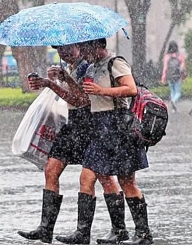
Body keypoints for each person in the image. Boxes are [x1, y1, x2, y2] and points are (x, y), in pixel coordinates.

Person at [19, 44, 129, 244]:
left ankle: (114, 229)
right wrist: (52, 81)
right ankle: (46, 228)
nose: (63, 53)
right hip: (72, 125)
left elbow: (81, 100)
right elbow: (71, 99)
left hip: (92, 126)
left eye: (67, 49)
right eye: (59, 50)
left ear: (79, 47)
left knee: (102, 177)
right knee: (51, 169)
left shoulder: (88, 67)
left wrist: (53, 84)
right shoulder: (68, 68)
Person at [56, 38, 154, 245]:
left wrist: (102, 91)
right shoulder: (90, 68)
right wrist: (65, 79)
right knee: (87, 177)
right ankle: (86, 233)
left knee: (127, 182)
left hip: (118, 126)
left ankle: (143, 234)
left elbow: (131, 89)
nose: (82, 52)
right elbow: (82, 99)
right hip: (98, 128)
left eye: (85, 48)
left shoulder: (115, 62)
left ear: (97, 46)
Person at [161, 41, 186, 113]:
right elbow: (183, 68)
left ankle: (173, 108)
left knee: (172, 91)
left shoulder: (167, 56)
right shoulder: (180, 56)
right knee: (178, 92)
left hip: (170, 76)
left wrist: (163, 78)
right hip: (178, 76)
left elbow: (165, 68)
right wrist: (183, 77)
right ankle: (173, 101)